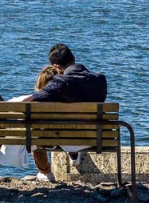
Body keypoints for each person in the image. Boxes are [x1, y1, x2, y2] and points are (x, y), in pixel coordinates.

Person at [25, 43, 108, 181]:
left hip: (65, 138)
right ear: (73, 57)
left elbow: (29, 102)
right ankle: (74, 154)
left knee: (36, 130)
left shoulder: (60, 83)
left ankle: (45, 172)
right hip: (95, 138)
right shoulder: (100, 80)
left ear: (56, 67)